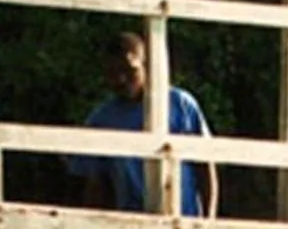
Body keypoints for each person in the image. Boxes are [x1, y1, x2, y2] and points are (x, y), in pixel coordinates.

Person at [68, 32, 218, 217]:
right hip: (133, 225)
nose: (121, 80)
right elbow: (96, 184)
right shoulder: (102, 119)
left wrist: (208, 220)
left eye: (129, 71)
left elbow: (205, 164)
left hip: (181, 221)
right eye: (112, 73)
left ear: (146, 66)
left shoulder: (180, 104)